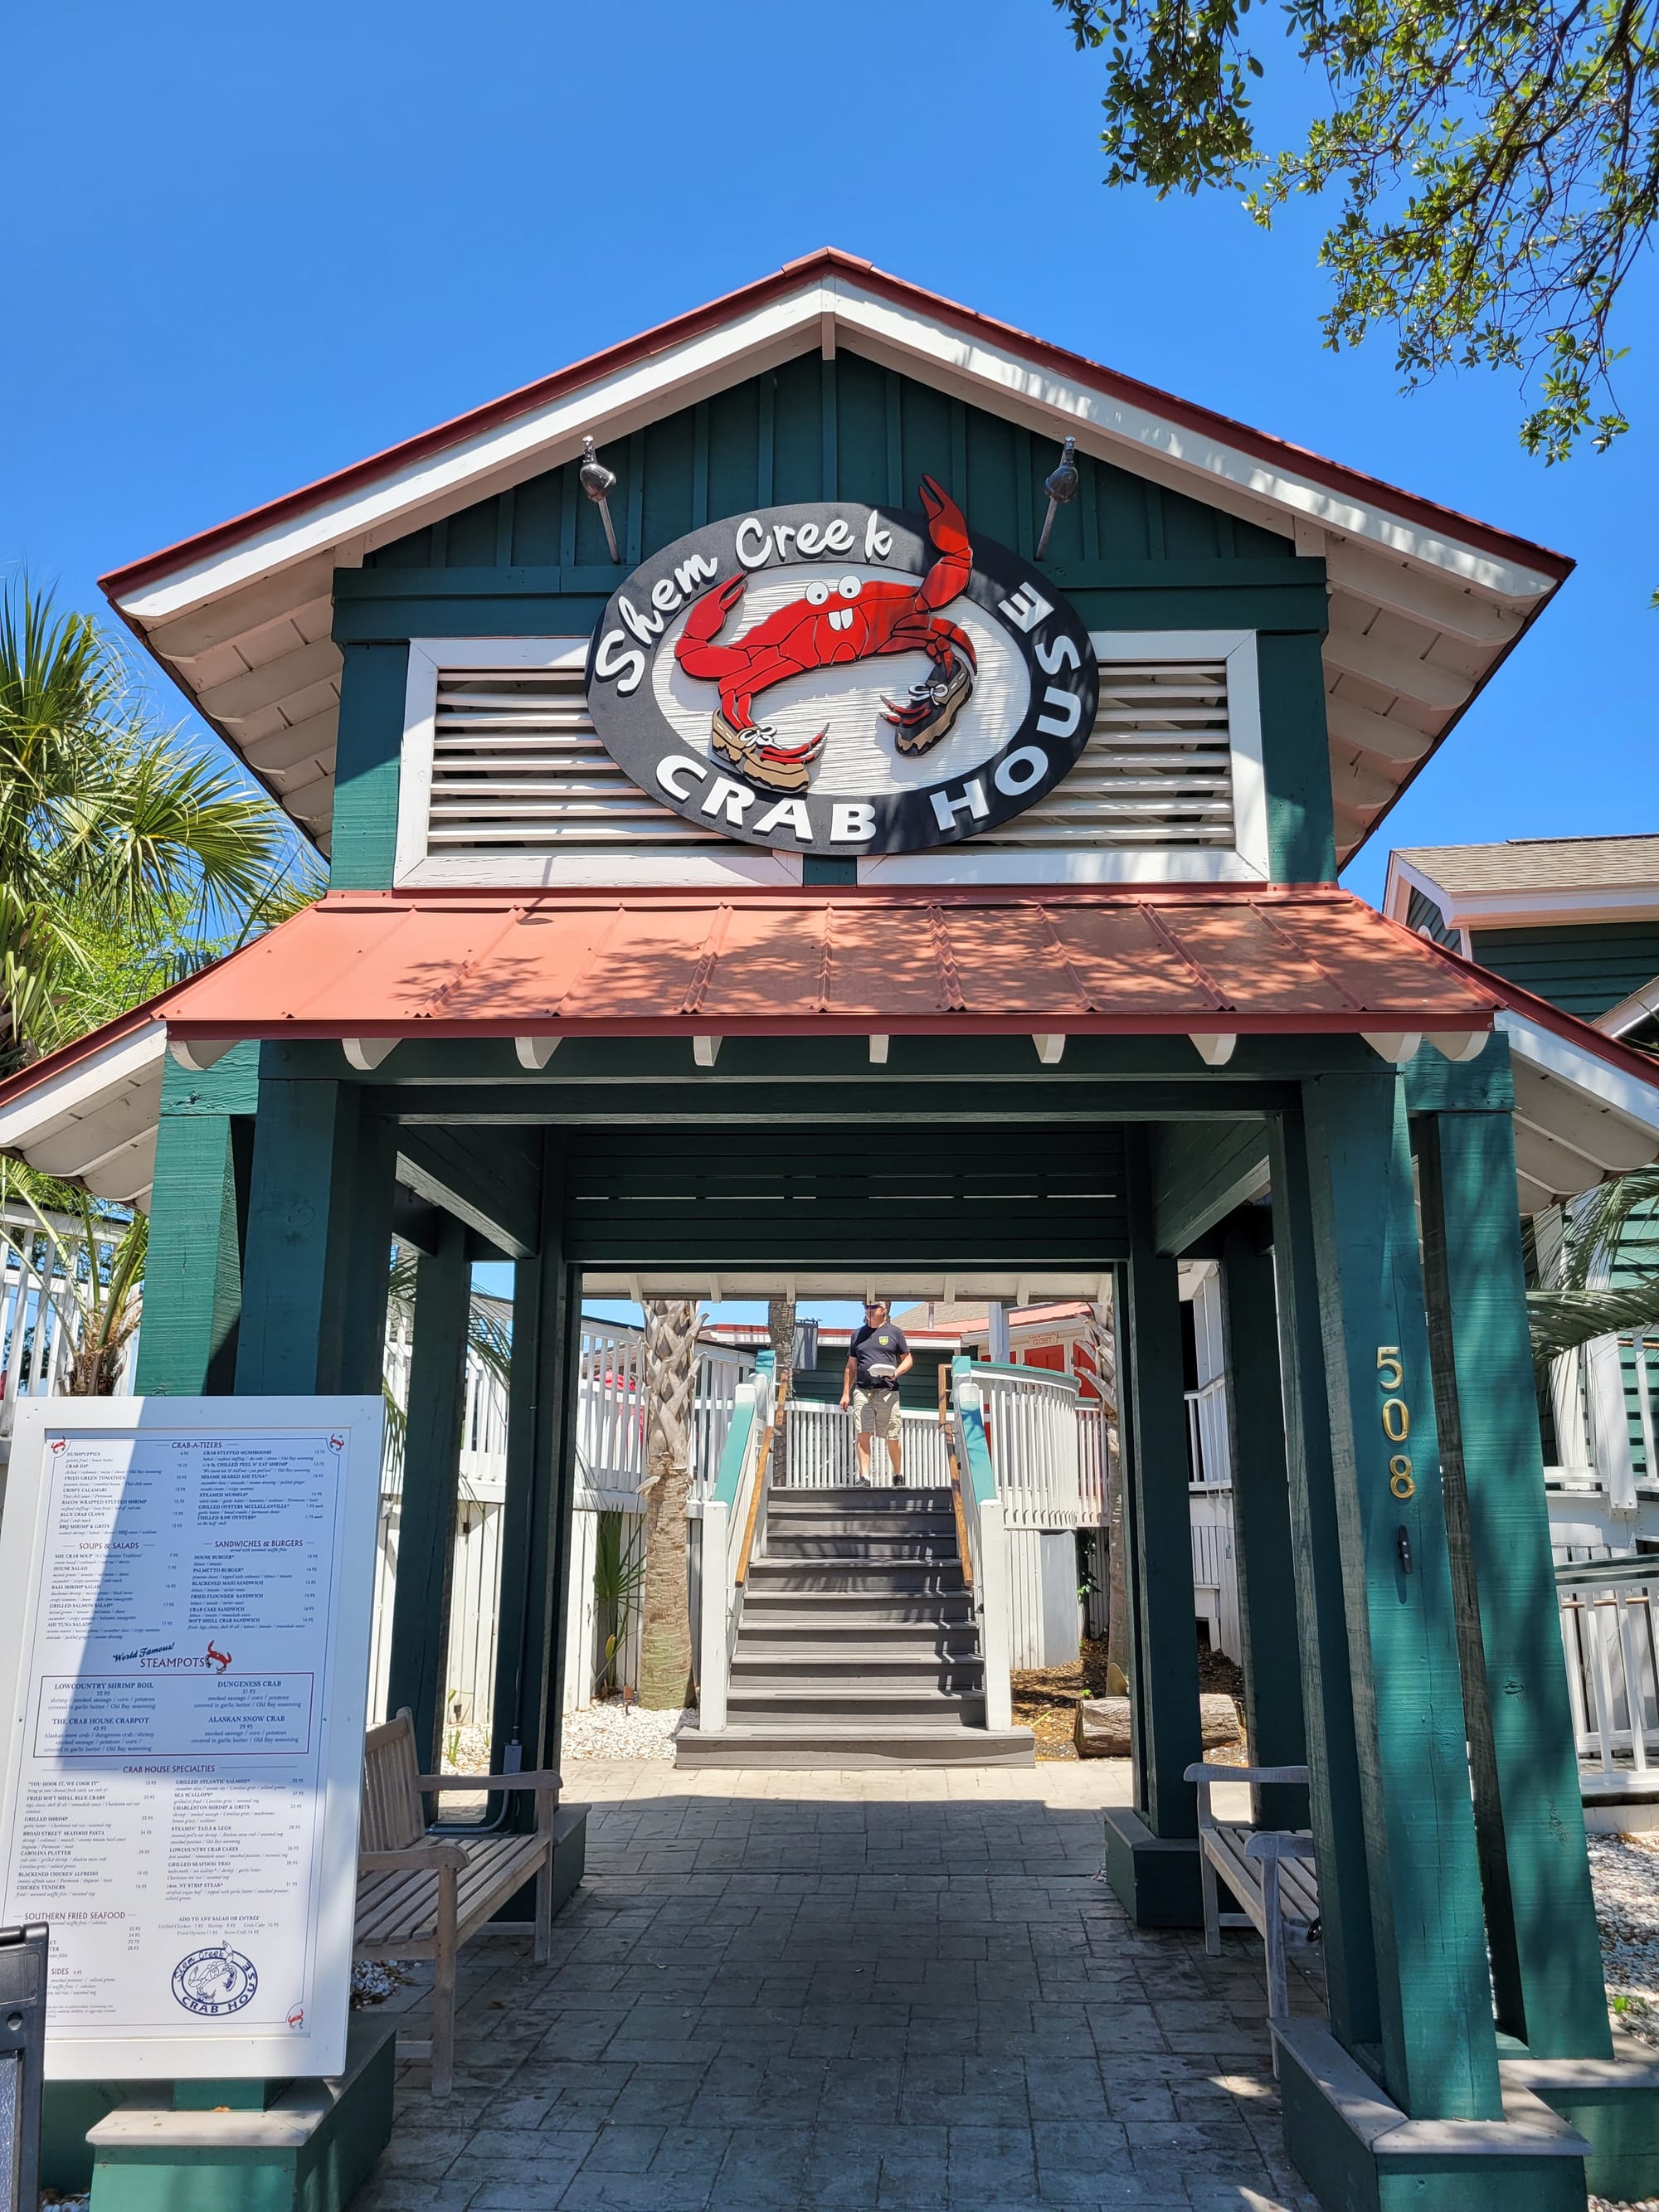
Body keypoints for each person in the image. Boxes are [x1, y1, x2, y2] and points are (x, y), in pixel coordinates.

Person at [839, 1298, 914, 1485]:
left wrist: (896, 1372)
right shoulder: (857, 1334)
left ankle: (898, 1474)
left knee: (892, 1436)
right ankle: (864, 1476)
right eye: (867, 1307)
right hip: (863, 1390)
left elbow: (908, 1359)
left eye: (874, 1307)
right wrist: (846, 1393)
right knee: (863, 1433)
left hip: (888, 1392)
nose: (869, 1310)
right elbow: (851, 1366)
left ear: (884, 1310)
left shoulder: (894, 1332)